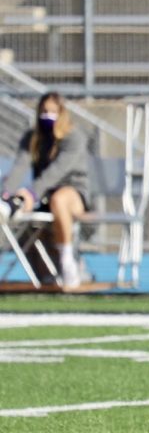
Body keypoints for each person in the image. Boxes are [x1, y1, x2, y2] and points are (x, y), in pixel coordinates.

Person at [0, 92, 91, 289]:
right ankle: (45, 274)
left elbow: (56, 172)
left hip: (73, 194)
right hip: (44, 196)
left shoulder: (73, 137)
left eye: (51, 112)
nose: (47, 116)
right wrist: (6, 195)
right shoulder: (33, 137)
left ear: (61, 113)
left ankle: (68, 263)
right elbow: (19, 166)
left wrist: (31, 194)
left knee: (59, 199)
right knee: (20, 217)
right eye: (43, 111)